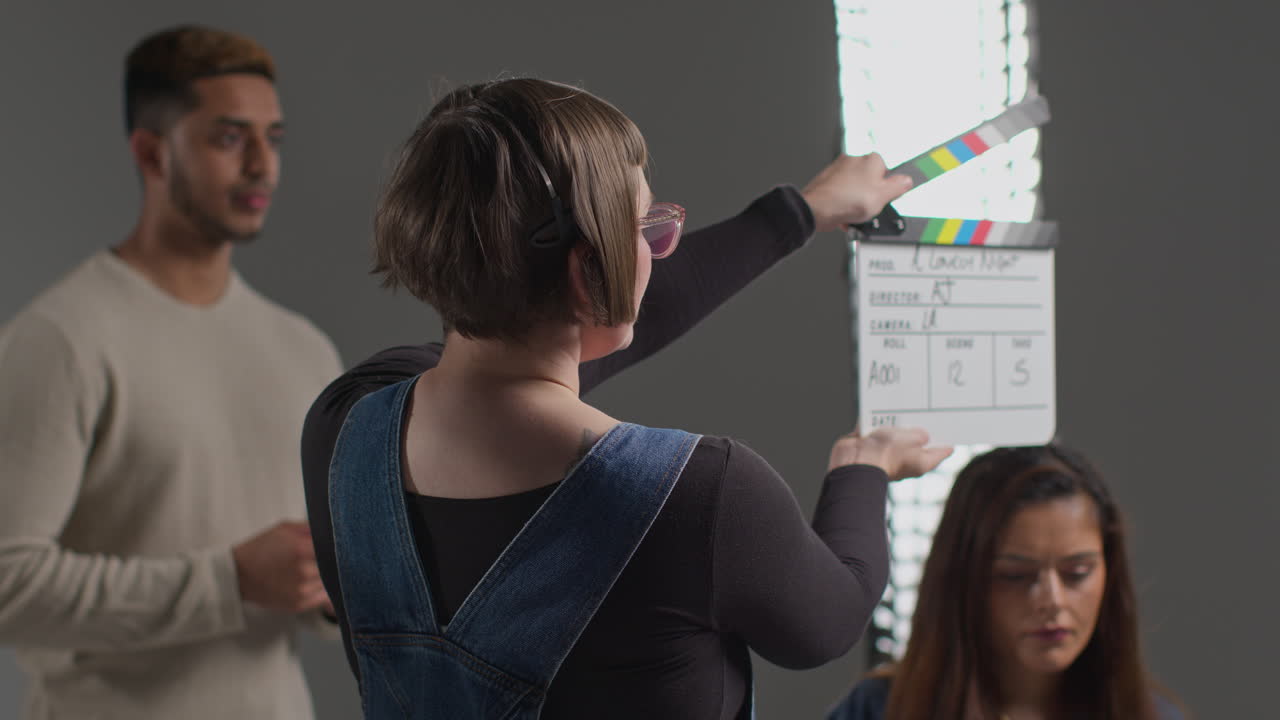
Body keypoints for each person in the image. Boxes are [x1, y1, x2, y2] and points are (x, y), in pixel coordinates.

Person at [300, 77, 951, 719]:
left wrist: (802, 211)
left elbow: (569, 331)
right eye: (647, 230)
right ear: (588, 271)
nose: (655, 252)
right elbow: (829, 620)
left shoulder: (346, 420)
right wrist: (864, 468)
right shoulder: (700, 496)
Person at [0, 26, 342, 720]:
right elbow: (7, 587)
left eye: (272, 138)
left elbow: (307, 588)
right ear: (151, 152)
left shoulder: (304, 350)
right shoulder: (61, 340)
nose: (261, 166)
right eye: (228, 138)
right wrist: (229, 581)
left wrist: (340, 586)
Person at [828, 444, 1186, 720]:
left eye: (1077, 572)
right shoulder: (877, 710)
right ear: (963, 583)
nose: (1052, 600)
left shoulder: (1151, 715)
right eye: (1016, 576)